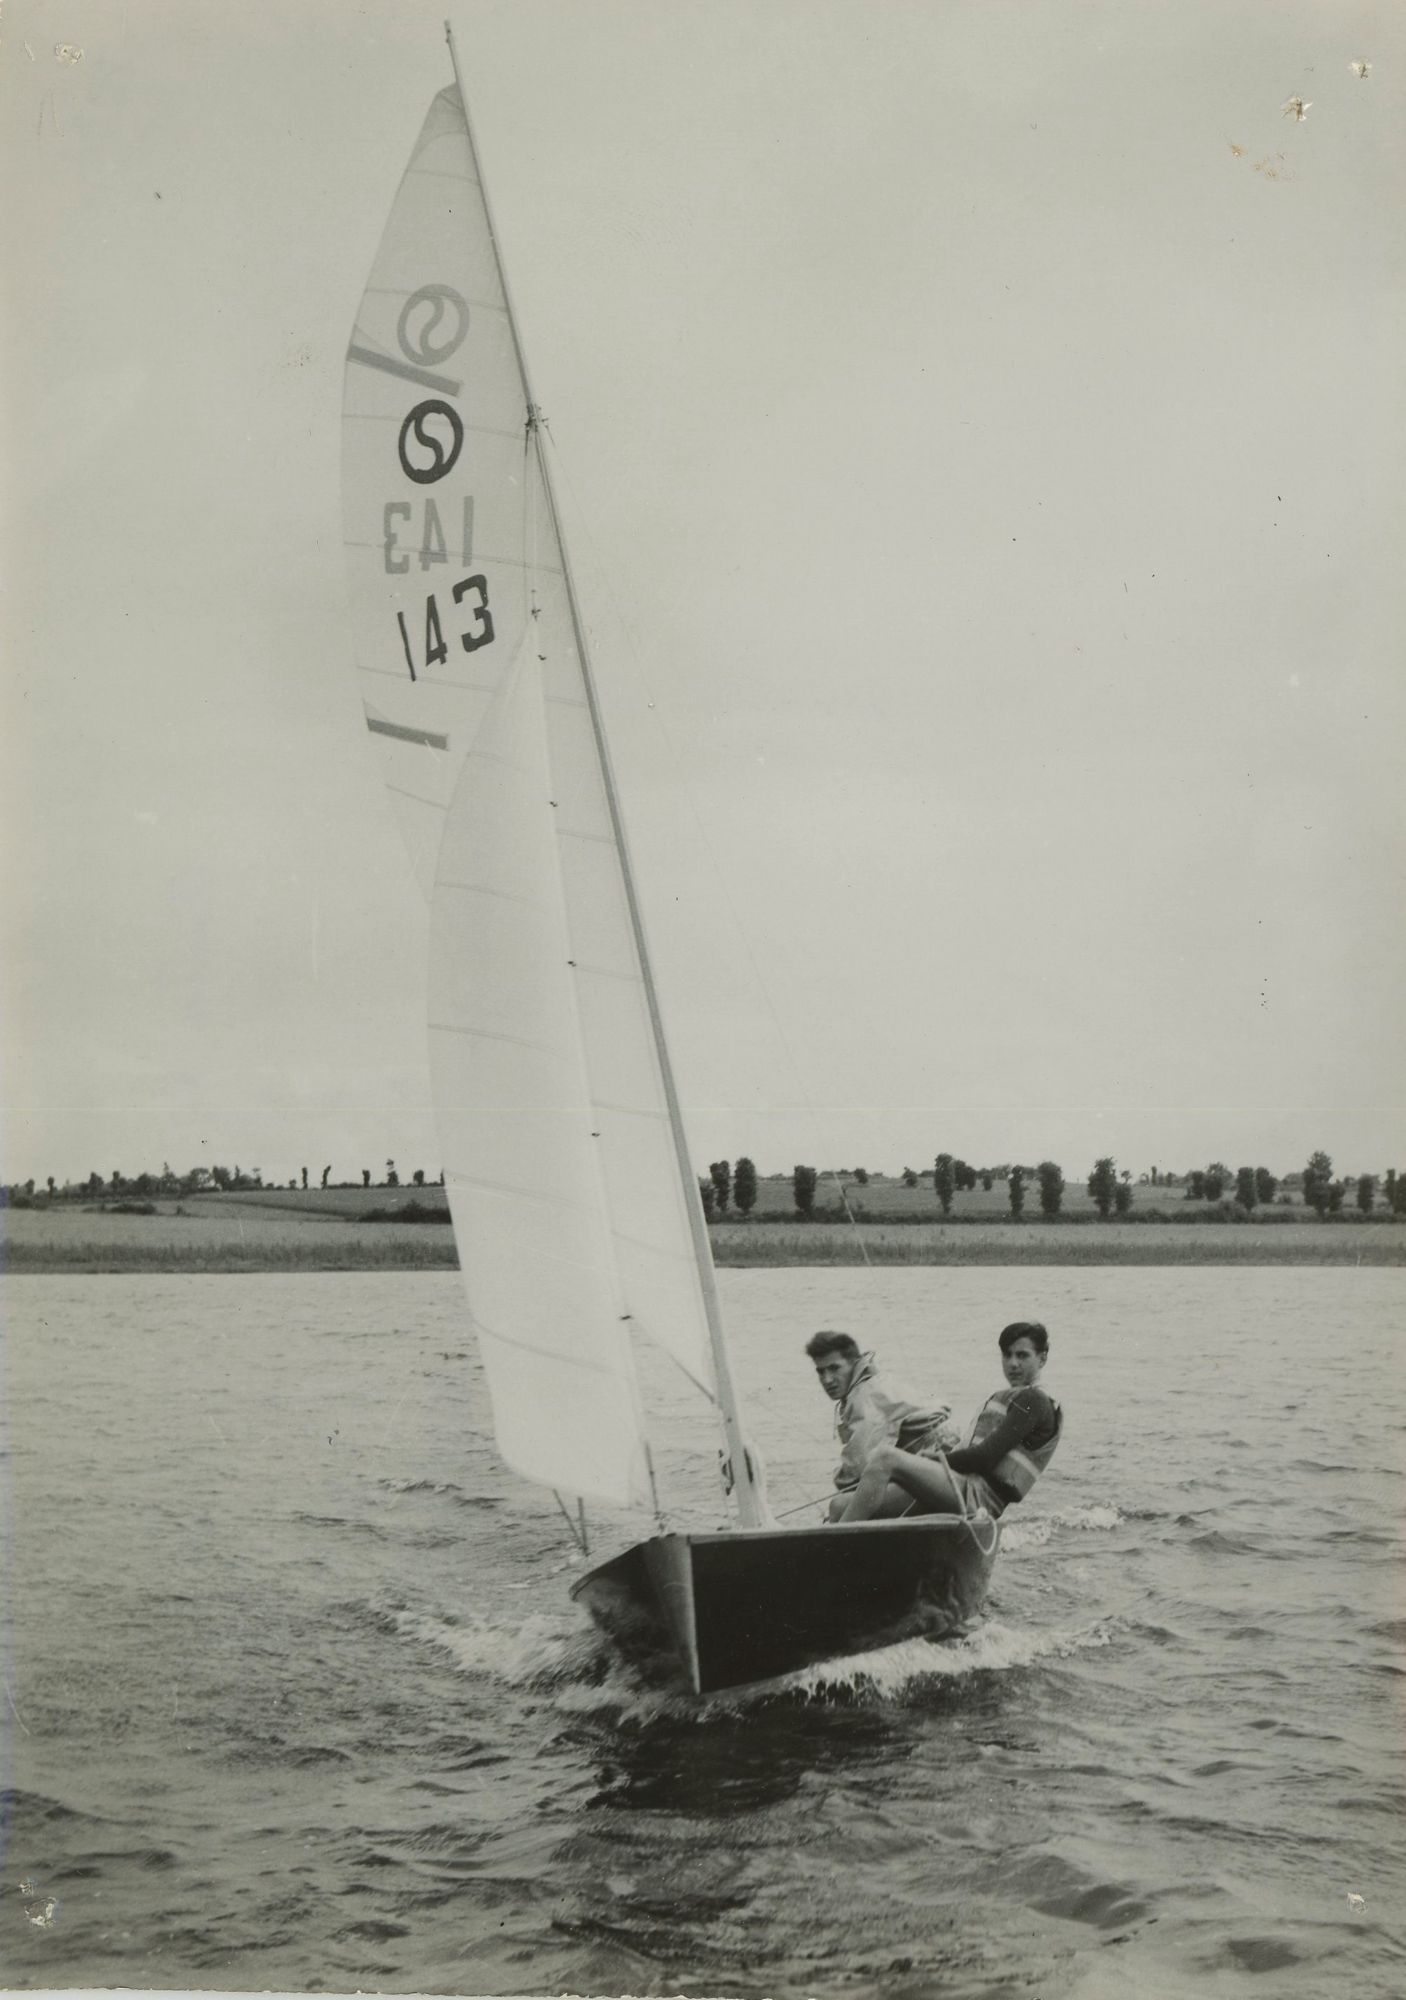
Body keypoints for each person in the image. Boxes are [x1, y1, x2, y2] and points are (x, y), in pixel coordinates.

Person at [837, 1320, 1062, 1523]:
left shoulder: (1035, 1400)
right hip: (956, 1486)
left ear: (1042, 1358)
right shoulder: (1014, 1397)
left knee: (886, 1457)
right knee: (838, 1505)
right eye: (1007, 1355)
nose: (1013, 1363)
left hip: (979, 1498)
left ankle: (837, 1543)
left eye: (1022, 1356)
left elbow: (984, 1459)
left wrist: (935, 1460)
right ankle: (852, 1541)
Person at [806, 1329, 958, 1521]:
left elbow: (859, 1465)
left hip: (943, 1478)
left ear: (854, 1362)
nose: (827, 1379)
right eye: (821, 1371)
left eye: (834, 1368)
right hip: (942, 1472)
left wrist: (841, 1484)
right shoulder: (874, 1382)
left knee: (838, 1506)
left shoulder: (864, 1396)